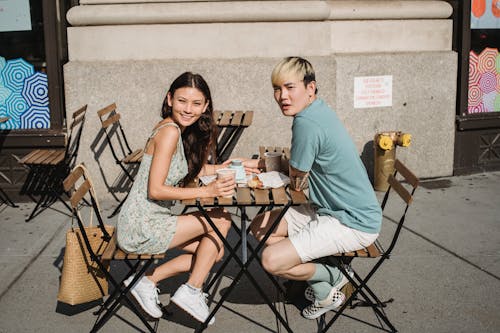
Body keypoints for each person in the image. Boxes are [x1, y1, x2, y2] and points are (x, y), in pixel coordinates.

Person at [245, 57, 382, 319]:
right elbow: (298, 168)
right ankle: (323, 289)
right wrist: (265, 165)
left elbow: (296, 182)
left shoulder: (306, 122)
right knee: (260, 228)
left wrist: (266, 169)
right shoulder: (316, 110)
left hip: (353, 221)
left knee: (271, 260)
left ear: (311, 88)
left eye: (289, 87)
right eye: (277, 88)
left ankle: (333, 274)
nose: (282, 96)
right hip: (333, 208)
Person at [117, 72, 234, 325]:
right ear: (169, 99)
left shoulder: (176, 130)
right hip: (142, 226)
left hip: (152, 219)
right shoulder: (169, 132)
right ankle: (191, 292)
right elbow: (156, 190)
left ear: (205, 107)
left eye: (195, 104)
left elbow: (184, 172)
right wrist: (207, 192)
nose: (188, 109)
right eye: (182, 101)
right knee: (221, 221)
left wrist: (228, 167)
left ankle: (147, 280)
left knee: (213, 251)